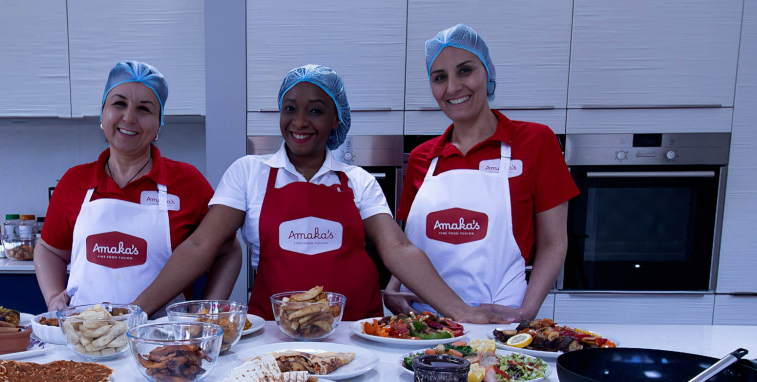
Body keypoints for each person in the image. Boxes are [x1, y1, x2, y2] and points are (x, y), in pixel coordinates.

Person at [133, 64, 475, 321]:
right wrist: (134, 312)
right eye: (290, 108)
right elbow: (199, 245)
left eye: (315, 110)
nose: (299, 121)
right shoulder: (249, 173)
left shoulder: (358, 181)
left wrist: (463, 312)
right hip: (273, 333)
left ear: (335, 121)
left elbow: (398, 249)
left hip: (355, 330)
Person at [385, 23, 579, 324]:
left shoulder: (535, 142)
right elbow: (407, 247)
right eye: (440, 78)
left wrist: (525, 314)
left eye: (465, 70)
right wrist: (393, 288)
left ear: (487, 72)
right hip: (423, 326)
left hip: (496, 323)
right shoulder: (423, 157)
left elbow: (554, 243)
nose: (452, 87)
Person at [35, 61, 241, 312]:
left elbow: (228, 251)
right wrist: (53, 296)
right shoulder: (74, 181)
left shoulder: (187, 182)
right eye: (119, 104)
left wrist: (208, 311)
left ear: (158, 123)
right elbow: (49, 249)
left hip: (164, 341)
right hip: (85, 337)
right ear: (103, 113)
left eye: (144, 109)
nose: (129, 117)